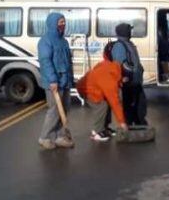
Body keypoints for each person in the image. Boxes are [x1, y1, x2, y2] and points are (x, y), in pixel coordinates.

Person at [37, 12, 74, 149]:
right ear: (53, 23)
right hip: (53, 82)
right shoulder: (45, 41)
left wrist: (70, 79)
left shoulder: (63, 41)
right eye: (60, 22)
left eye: (64, 22)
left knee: (64, 109)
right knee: (54, 111)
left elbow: (67, 61)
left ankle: (59, 137)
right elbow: (45, 61)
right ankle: (44, 137)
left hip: (65, 81)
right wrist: (53, 80)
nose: (63, 25)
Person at [76, 44, 128, 142]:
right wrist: (122, 122)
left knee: (106, 102)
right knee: (102, 105)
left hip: (92, 86)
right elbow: (115, 102)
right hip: (86, 89)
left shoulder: (111, 66)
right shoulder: (108, 76)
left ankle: (104, 128)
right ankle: (97, 132)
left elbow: (115, 75)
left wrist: (120, 80)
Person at [111, 23, 147, 126]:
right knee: (129, 106)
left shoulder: (128, 43)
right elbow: (119, 64)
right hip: (128, 82)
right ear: (125, 32)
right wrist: (132, 72)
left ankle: (139, 123)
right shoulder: (119, 46)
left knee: (140, 105)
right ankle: (130, 126)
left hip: (135, 81)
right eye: (129, 30)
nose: (131, 32)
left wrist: (139, 69)